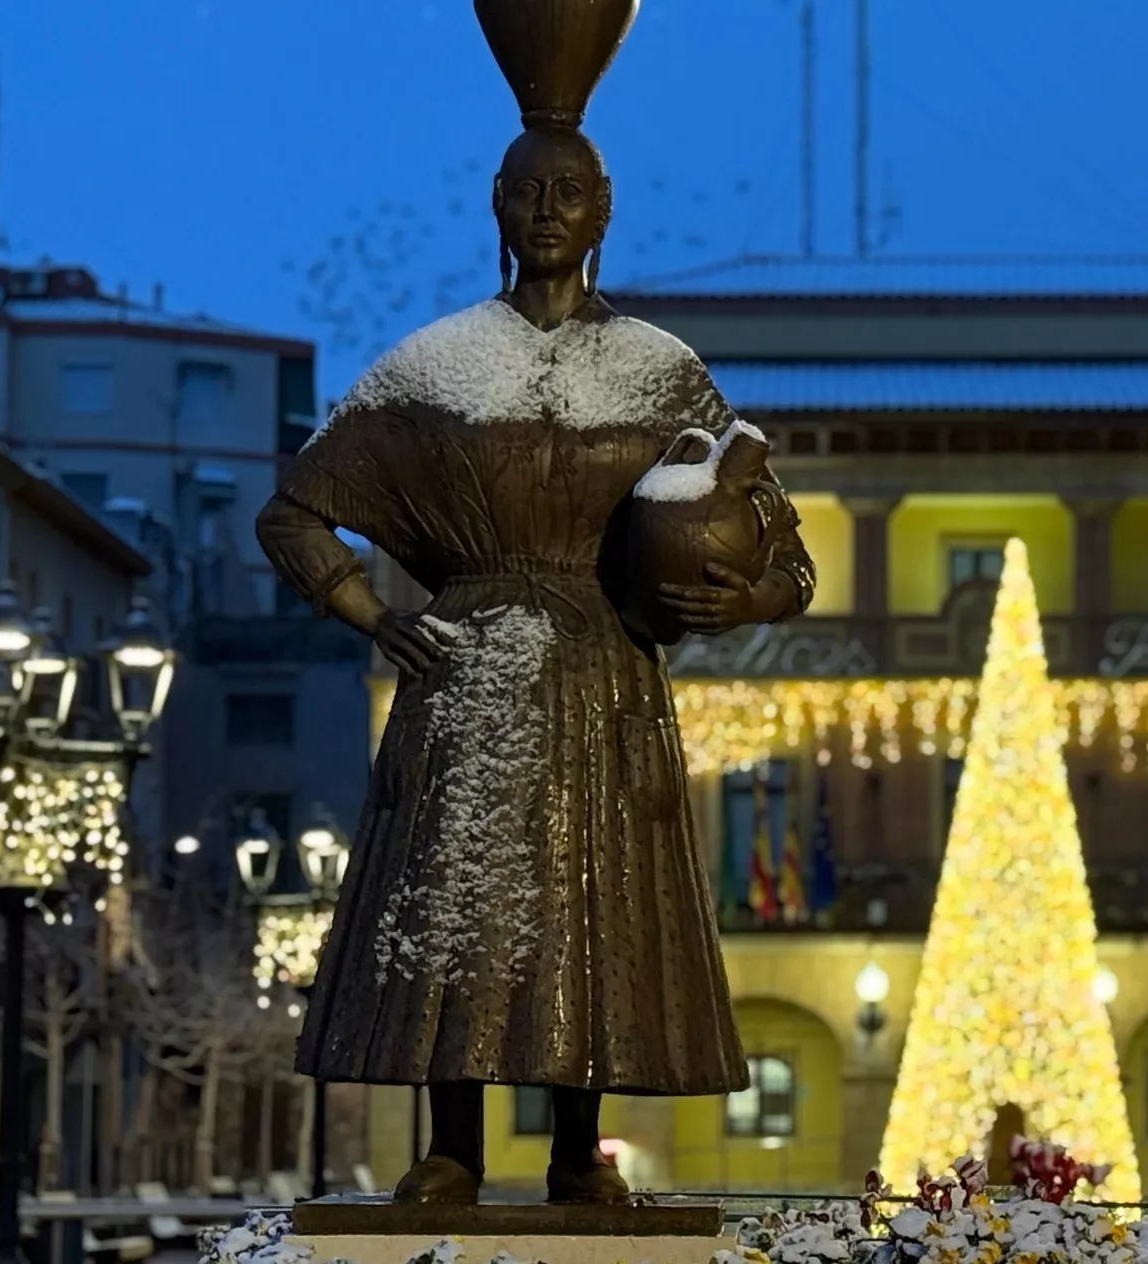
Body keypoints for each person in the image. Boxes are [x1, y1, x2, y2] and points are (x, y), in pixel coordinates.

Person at [255, 124, 815, 1205]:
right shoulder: (430, 367)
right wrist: (370, 612)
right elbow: (293, 517)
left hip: (606, 672)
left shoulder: (661, 370)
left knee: (590, 900)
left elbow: (785, 554)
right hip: (466, 669)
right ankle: (453, 1146)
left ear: (603, 210)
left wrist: (744, 596)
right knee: (464, 906)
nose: (548, 210)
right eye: (527, 192)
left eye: (570, 192)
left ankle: (576, 1151)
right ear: (496, 206)